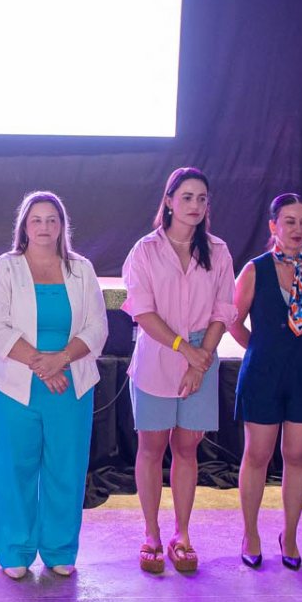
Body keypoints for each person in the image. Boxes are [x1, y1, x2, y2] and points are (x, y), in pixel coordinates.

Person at [0, 191, 109, 579]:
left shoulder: (82, 269)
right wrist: (43, 364)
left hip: (70, 386)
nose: (44, 227)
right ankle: (14, 550)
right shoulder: (5, 268)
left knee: (66, 469)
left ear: (62, 226)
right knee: (13, 470)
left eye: (52, 219)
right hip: (13, 387)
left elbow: (98, 327)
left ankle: (60, 549)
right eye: (36, 219)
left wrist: (61, 360)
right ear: (24, 226)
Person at [123, 168, 235, 575]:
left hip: (202, 358)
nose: (195, 205)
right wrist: (187, 352)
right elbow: (142, 312)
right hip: (159, 356)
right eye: (186, 197)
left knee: (187, 449)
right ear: (169, 201)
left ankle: (182, 534)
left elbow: (224, 310)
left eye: (202, 198)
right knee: (152, 449)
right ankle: (152, 534)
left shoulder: (218, 251)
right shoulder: (145, 251)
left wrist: (201, 359)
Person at [231, 193, 302, 569]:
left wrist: (296, 351)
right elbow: (232, 320)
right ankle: (251, 533)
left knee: (297, 456)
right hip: (262, 373)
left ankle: (289, 535)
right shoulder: (254, 269)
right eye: (289, 221)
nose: (297, 229)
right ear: (273, 226)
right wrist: (262, 348)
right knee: (257, 455)